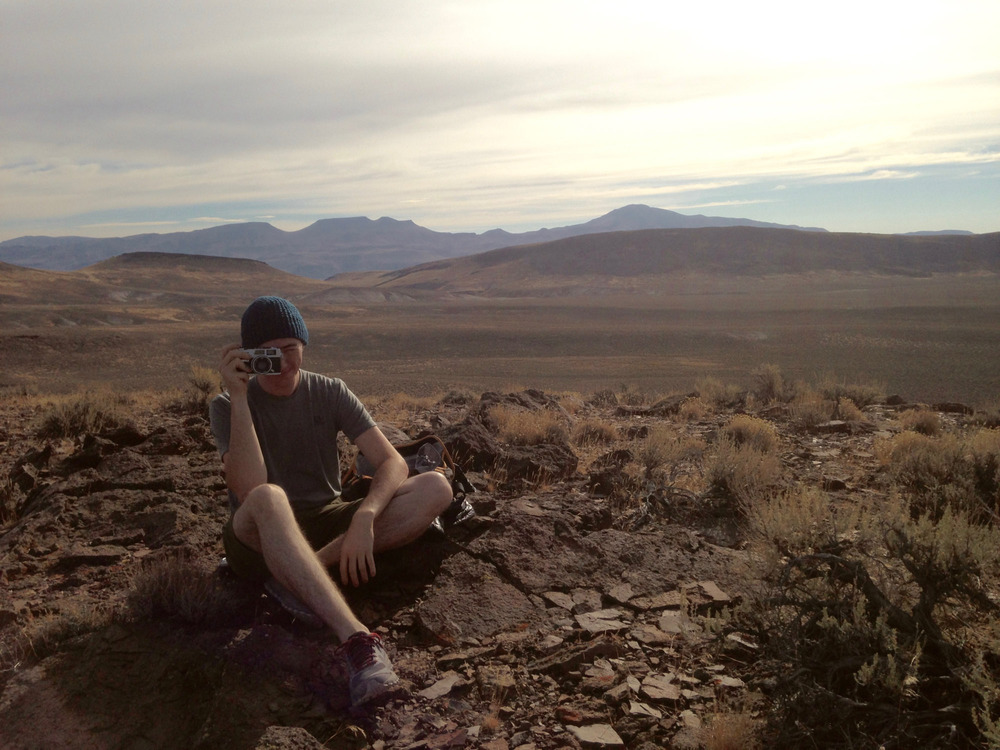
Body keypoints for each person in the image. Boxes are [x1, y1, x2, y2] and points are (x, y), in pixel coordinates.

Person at [209, 295, 453, 707]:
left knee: (437, 487)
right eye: (269, 354)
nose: (283, 364)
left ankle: (302, 576)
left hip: (326, 519)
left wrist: (365, 518)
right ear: (249, 356)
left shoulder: (329, 390)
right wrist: (239, 397)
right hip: (257, 537)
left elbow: (392, 462)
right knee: (270, 496)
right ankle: (356, 638)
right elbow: (249, 488)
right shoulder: (227, 406)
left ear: (304, 346)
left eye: (291, 350)